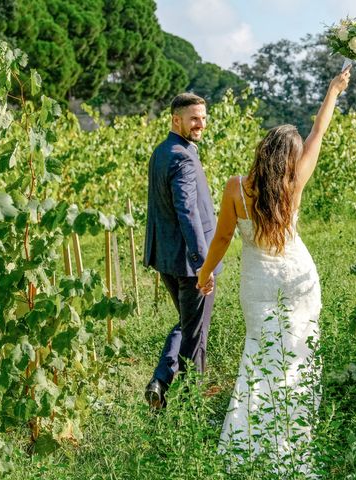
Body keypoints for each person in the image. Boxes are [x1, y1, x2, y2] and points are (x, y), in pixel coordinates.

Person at [196, 67, 351, 470]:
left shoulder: (236, 187)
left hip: (259, 282)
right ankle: (293, 434)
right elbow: (319, 131)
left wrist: (204, 273)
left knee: (259, 354)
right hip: (299, 276)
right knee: (297, 352)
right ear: (291, 158)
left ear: (263, 150)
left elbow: (223, 239)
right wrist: (333, 90)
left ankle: (251, 439)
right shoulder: (294, 182)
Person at [143, 92, 221, 409]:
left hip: (167, 259)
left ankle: (161, 381)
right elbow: (187, 212)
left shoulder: (162, 152)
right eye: (194, 118)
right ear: (176, 120)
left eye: (203, 117)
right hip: (190, 265)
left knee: (188, 324)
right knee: (195, 336)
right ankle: (189, 408)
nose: (200, 123)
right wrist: (204, 266)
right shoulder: (182, 157)